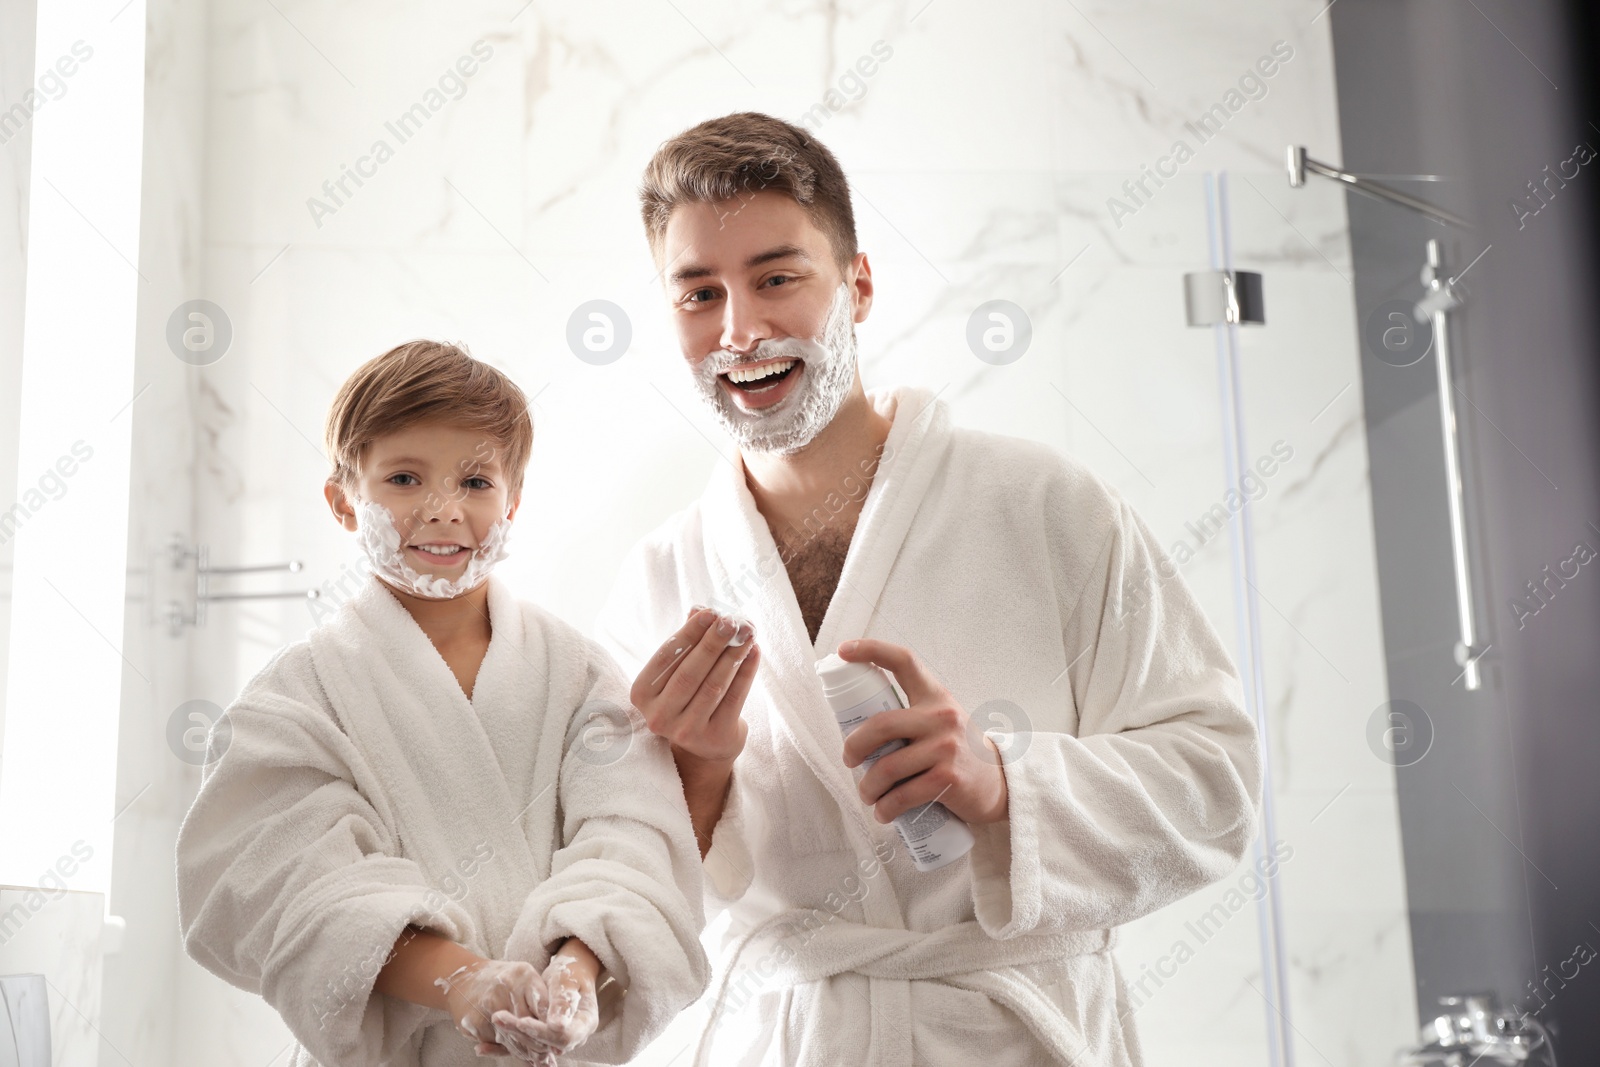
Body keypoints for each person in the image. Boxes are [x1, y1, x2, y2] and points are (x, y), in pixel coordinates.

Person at [595, 112, 1265, 1066]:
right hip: (790, 1041)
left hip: (1007, 1035)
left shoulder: (1045, 505)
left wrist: (1005, 783)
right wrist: (698, 774)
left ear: (858, 286)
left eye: (777, 278)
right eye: (699, 293)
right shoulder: (659, 579)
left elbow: (1219, 789)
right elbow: (618, 884)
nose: (739, 331)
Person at [176, 340, 709, 1066]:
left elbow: (634, 840)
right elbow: (285, 885)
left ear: (514, 502)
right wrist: (459, 978)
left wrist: (575, 972)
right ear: (343, 501)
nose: (442, 510)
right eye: (403, 478)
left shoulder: (579, 674)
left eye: (475, 482)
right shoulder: (298, 700)